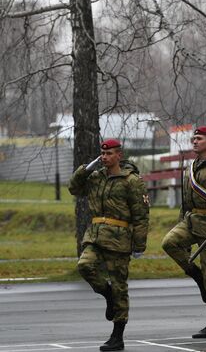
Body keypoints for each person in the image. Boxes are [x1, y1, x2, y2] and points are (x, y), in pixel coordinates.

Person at [69, 139, 149, 351]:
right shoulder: (96, 177)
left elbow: (141, 215)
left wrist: (139, 245)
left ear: (119, 156)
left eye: (109, 154)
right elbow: (73, 188)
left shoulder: (131, 181)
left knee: (120, 286)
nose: (105, 157)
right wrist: (86, 169)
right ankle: (107, 294)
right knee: (84, 266)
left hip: (119, 239)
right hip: (95, 236)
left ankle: (117, 336)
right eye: (102, 154)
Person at [161, 126, 206, 339]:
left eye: (199, 139)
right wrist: (180, 222)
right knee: (169, 243)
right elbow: (186, 200)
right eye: (193, 138)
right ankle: (196, 276)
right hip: (191, 219)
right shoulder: (192, 166)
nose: (194, 141)